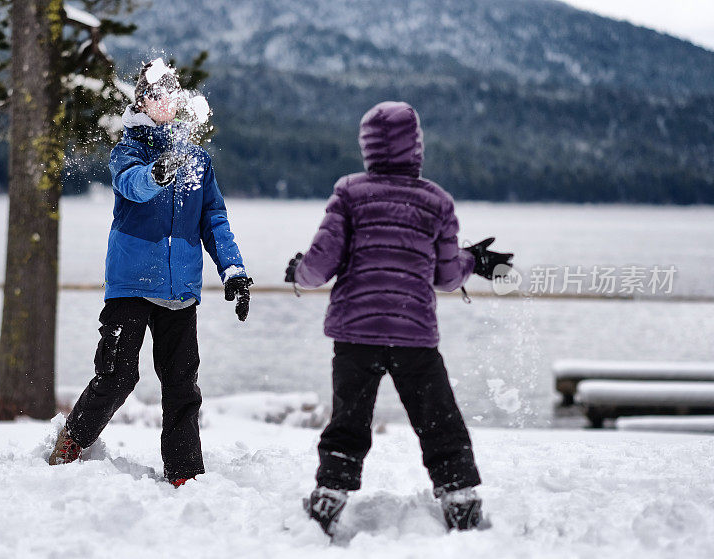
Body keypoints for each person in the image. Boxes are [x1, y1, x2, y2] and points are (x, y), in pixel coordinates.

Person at [284, 101, 513, 534]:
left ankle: (330, 494)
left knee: (348, 419)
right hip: (414, 334)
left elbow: (319, 264)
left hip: (356, 333)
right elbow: (446, 277)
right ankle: (460, 496)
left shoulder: (349, 193)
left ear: (367, 146)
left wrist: (297, 270)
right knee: (439, 419)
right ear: (416, 146)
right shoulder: (436, 201)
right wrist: (473, 261)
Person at [48, 58, 253, 488]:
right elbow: (132, 185)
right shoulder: (130, 148)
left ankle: (184, 474)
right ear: (143, 101)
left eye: (173, 93)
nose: (169, 100)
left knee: (182, 385)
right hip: (131, 285)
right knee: (118, 375)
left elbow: (213, 219)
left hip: (179, 291)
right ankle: (72, 441)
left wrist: (232, 269)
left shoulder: (196, 159)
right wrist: (156, 174)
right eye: (160, 93)